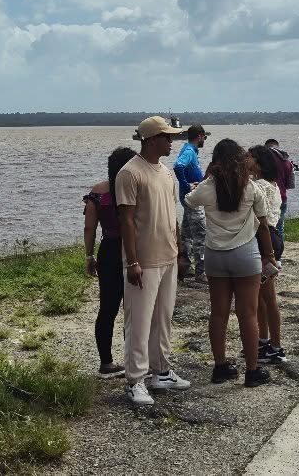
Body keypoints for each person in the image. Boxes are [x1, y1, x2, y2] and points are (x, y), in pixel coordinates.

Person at [184, 139, 280, 387]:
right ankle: (252, 370)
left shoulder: (208, 187)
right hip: (246, 255)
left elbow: (189, 201)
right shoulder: (250, 188)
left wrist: (207, 175)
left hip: (215, 255)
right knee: (247, 314)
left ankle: (221, 367)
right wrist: (269, 255)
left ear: (215, 161)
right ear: (239, 160)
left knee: (218, 314)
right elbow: (264, 227)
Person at [116, 115, 191, 406]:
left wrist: (180, 252)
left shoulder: (166, 172)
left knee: (163, 319)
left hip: (168, 257)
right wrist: (132, 262)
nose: (171, 141)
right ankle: (135, 380)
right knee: (139, 322)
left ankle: (161, 372)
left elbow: (173, 217)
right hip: (143, 261)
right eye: (166, 137)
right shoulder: (130, 172)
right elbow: (127, 221)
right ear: (149, 139)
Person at [83, 146, 138, 378]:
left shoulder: (98, 192)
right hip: (134, 251)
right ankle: (133, 360)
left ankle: (106, 363)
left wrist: (89, 255)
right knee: (133, 309)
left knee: (107, 308)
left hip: (108, 251)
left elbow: (89, 227)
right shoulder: (136, 190)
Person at [251, 144, 289, 364]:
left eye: (250, 158)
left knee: (266, 296)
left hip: (264, 240)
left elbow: (261, 220)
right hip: (272, 238)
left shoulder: (260, 186)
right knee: (260, 296)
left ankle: (275, 345)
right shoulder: (272, 184)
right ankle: (265, 341)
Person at [174, 124, 210, 286]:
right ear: (200, 136)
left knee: (187, 235)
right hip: (192, 200)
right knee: (201, 237)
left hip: (188, 200)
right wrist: (186, 183)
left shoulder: (188, 150)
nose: (204, 140)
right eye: (204, 137)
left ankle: (186, 269)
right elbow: (178, 166)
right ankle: (200, 273)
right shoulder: (189, 151)